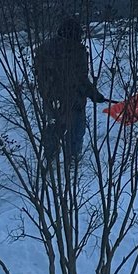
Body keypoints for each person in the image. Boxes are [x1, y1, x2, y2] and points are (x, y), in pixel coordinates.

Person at [33, 17, 104, 170]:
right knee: (74, 129)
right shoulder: (75, 52)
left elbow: (40, 75)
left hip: (53, 99)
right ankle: (70, 159)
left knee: (56, 128)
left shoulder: (44, 49)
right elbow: (80, 79)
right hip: (71, 100)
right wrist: (93, 93)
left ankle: (52, 157)